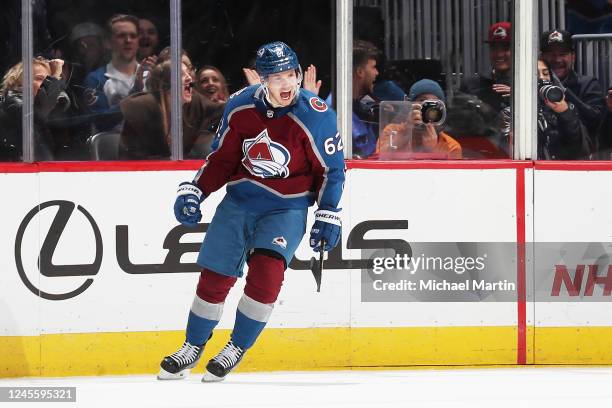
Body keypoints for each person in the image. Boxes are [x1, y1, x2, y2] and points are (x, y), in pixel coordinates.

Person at [157, 41, 345, 382]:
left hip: (286, 206)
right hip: (240, 201)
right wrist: (196, 188)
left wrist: (328, 212)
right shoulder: (240, 105)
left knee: (267, 270)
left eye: (292, 74)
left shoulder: (316, 114)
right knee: (215, 275)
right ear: (262, 79)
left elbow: (333, 169)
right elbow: (223, 158)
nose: (287, 84)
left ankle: (235, 347)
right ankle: (192, 346)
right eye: (277, 77)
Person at [540, 29, 606, 150]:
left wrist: (563, 93)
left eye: (562, 54)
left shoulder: (588, 85)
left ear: (573, 57)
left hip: (579, 161)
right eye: (551, 54)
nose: (557, 60)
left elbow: (596, 122)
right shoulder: (530, 87)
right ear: (542, 57)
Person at [460, 22, 513, 157]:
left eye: (506, 47)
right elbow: (459, 128)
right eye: (494, 48)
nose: (499, 54)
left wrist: (517, 97)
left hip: (519, 157)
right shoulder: (472, 85)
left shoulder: (528, 87)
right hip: (481, 158)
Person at [0, 57, 68, 161]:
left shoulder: (44, 106)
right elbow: (38, 111)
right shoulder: (12, 101)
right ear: (20, 81)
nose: (44, 83)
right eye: (40, 78)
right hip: (18, 168)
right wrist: (55, 75)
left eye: (47, 80)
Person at [376, 79, 462, 159]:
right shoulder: (392, 131)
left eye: (434, 103)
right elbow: (380, 159)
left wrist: (432, 151)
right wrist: (406, 131)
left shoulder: (450, 145)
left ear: (441, 109)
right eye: (422, 101)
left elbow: (449, 174)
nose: (428, 108)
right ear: (411, 105)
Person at [83, 14, 140, 132]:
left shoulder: (152, 74)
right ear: (107, 42)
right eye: (121, 36)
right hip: (113, 148)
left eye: (133, 36)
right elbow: (102, 122)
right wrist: (135, 92)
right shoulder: (96, 79)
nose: (128, 40)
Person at [536, 59, 591, 160]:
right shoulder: (516, 108)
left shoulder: (564, 107)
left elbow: (578, 150)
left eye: (546, 73)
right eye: (535, 74)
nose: (542, 78)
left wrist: (565, 113)